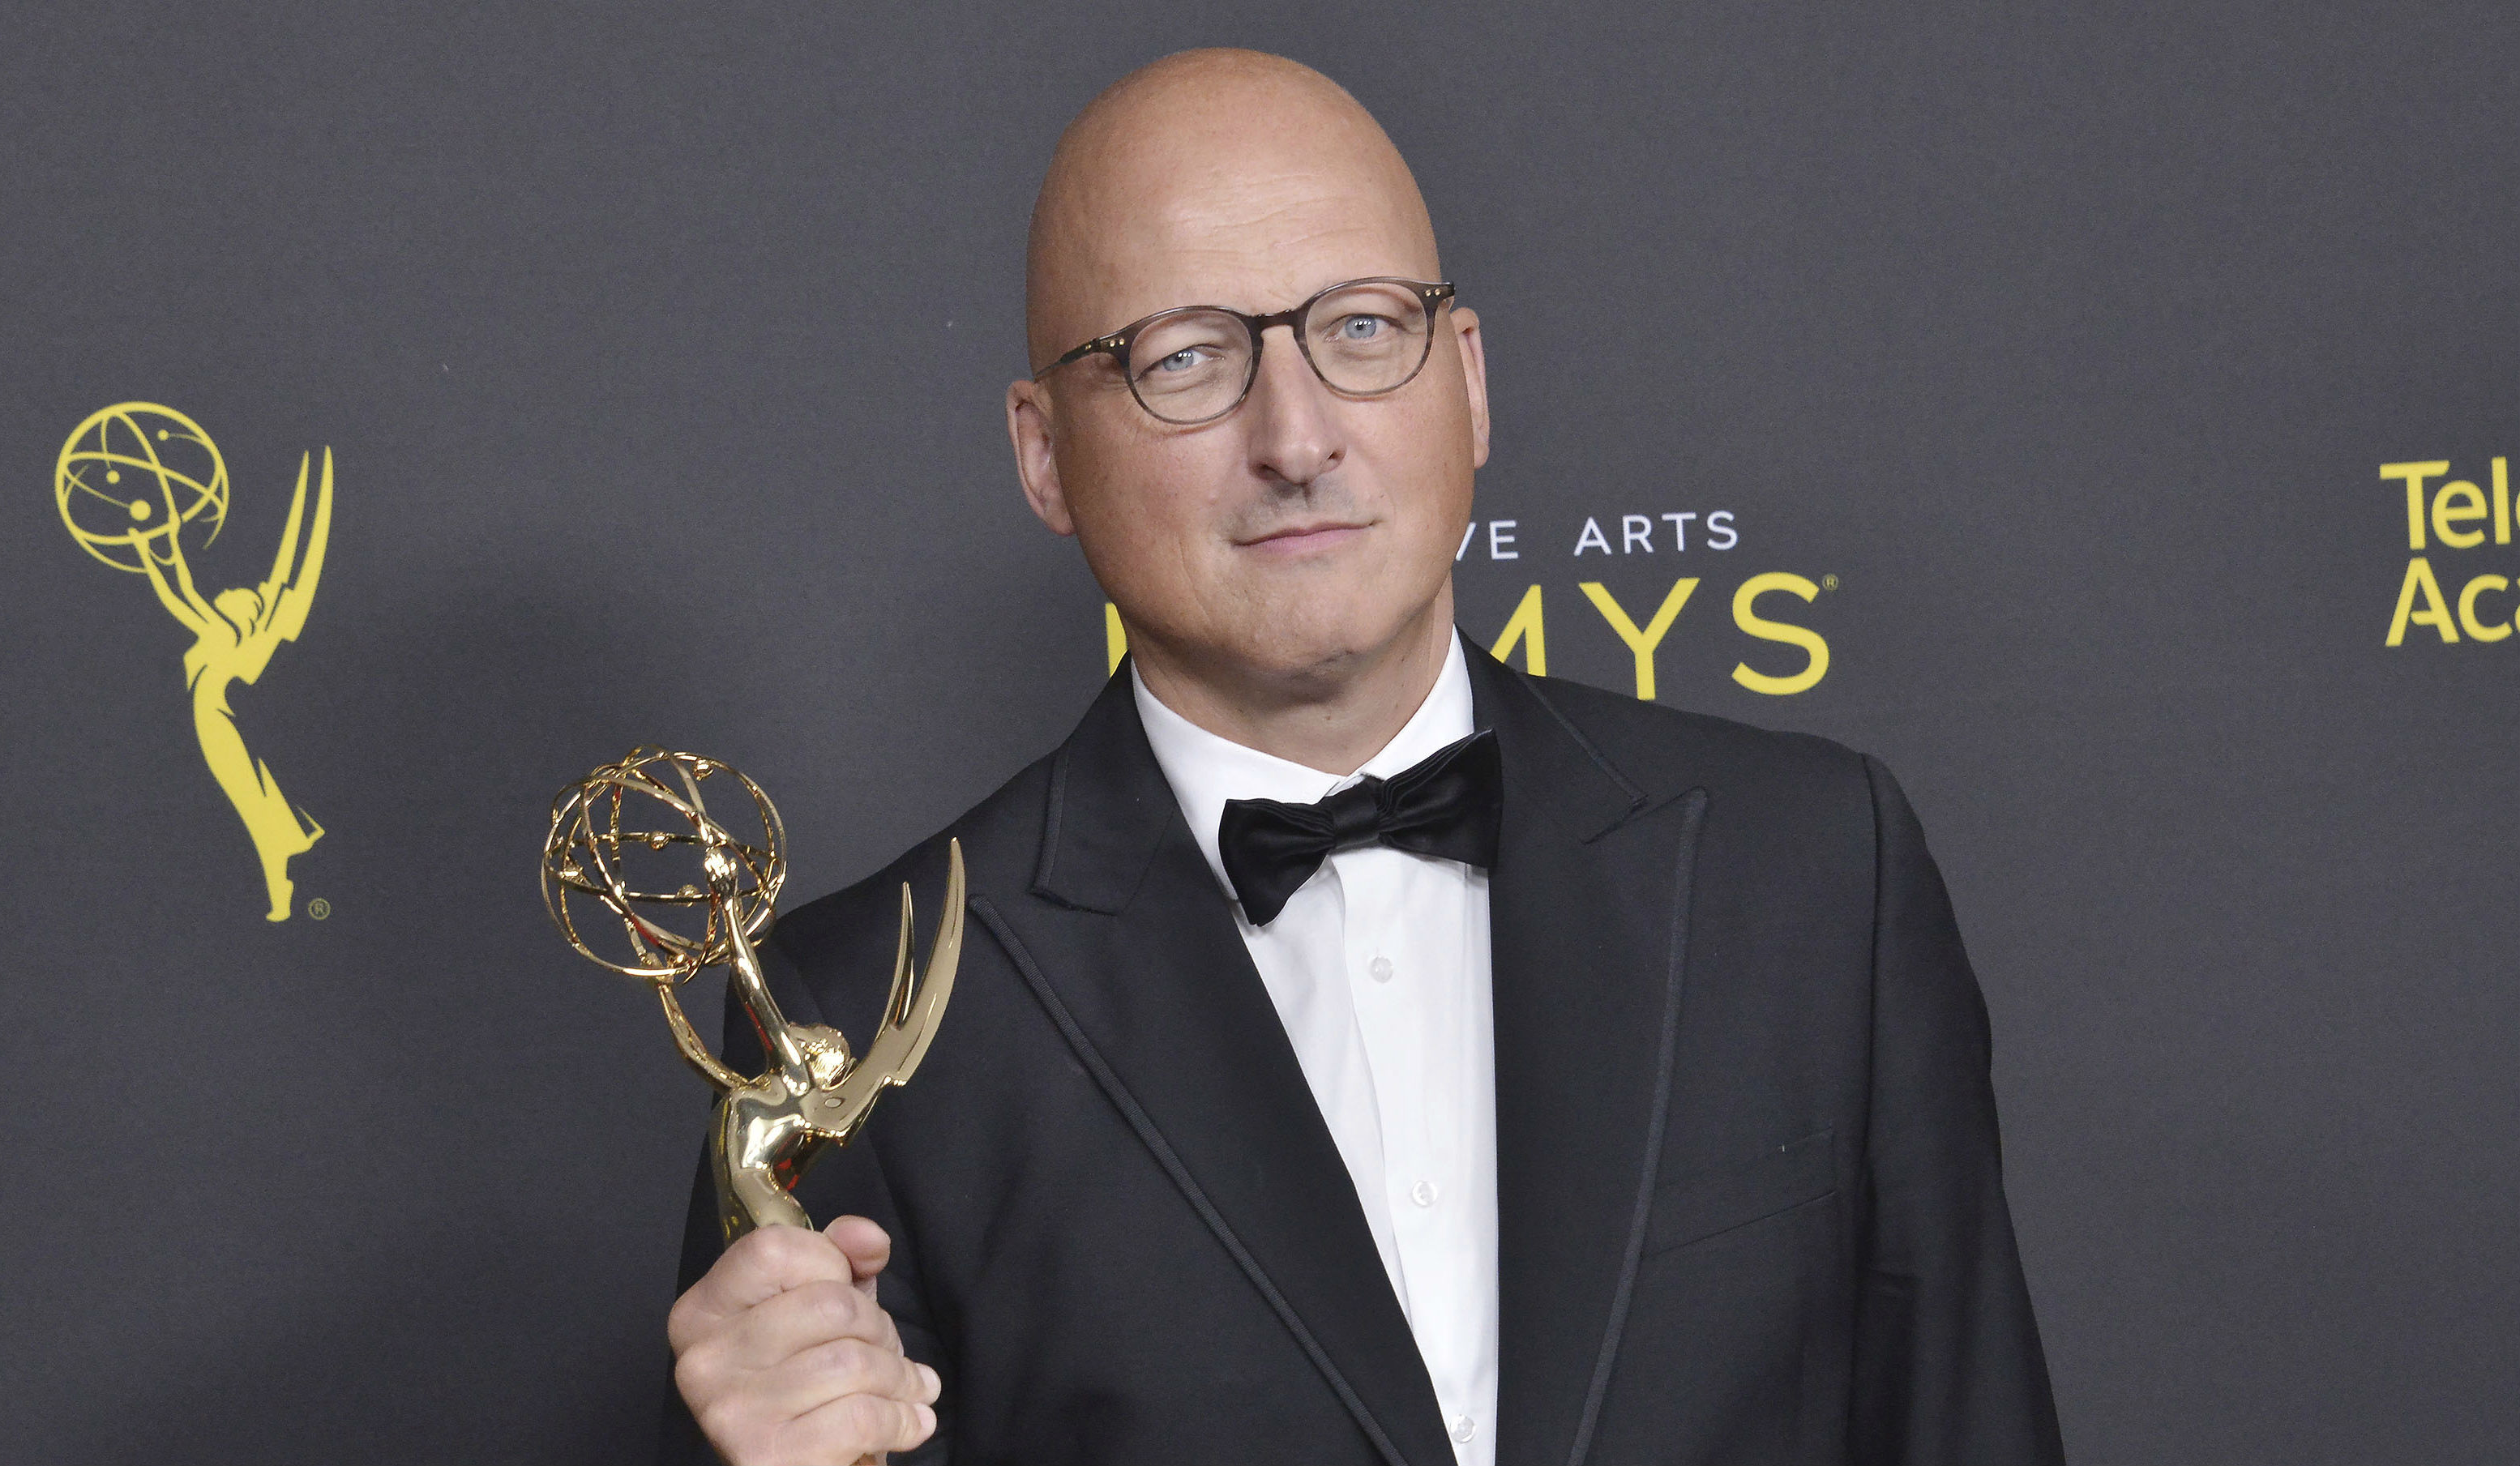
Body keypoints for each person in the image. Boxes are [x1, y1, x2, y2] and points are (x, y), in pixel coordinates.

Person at [661, 48, 2063, 1466]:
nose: (1296, 435)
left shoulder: (1817, 865)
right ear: (1042, 455)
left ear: (1466, 382)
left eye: (1361, 327)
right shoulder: (864, 1008)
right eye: (1184, 358)